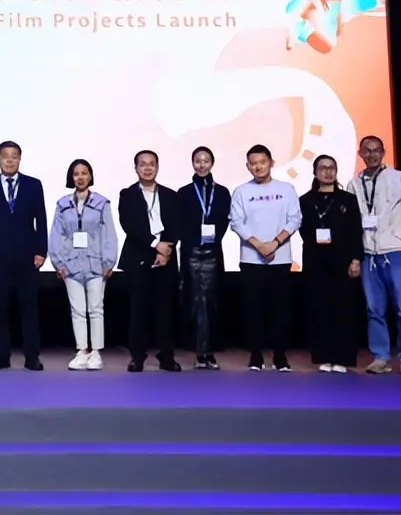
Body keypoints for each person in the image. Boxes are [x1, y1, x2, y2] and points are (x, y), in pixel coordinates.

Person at [346, 135, 401, 375]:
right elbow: (351, 224)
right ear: (360, 154)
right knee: (373, 308)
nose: (372, 154)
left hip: (397, 252)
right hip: (368, 254)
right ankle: (380, 357)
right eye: (367, 150)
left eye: (376, 150)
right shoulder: (354, 184)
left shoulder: (400, 179)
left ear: (383, 152)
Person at [229, 144, 302, 372]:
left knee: (280, 311)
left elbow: (295, 219)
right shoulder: (241, 191)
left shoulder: (287, 189)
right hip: (251, 259)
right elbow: (236, 222)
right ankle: (255, 356)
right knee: (253, 310)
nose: (258, 167)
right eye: (253, 163)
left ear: (271, 162)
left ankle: (280, 357)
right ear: (247, 166)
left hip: (280, 258)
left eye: (262, 162)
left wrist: (275, 243)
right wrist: (259, 245)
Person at [0, 141, 47, 371]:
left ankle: (32, 357)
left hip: (28, 257)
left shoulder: (33, 185)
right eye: (5, 156)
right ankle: (1, 356)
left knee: (30, 310)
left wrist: (41, 251)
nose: (9, 160)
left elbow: (41, 220)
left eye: (14, 156)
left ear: (20, 158)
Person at [49, 159, 118, 371]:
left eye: (84, 173)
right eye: (76, 174)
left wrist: (109, 261)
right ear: (71, 177)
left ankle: (96, 352)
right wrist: (58, 263)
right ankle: (82, 350)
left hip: (96, 264)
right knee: (77, 310)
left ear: (90, 176)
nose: (80, 177)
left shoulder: (101, 203)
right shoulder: (63, 205)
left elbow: (109, 233)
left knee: (96, 309)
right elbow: (57, 235)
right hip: (71, 265)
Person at [118, 150, 181, 372]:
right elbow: (129, 225)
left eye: (151, 164)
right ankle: (137, 356)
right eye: (143, 164)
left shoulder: (171, 195)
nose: (147, 168)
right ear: (136, 168)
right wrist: (155, 245)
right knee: (138, 312)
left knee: (166, 311)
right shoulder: (127, 195)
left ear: (157, 167)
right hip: (139, 258)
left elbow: (176, 224)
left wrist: (165, 249)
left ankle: (167, 357)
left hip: (166, 258)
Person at [299, 154, 363, 372]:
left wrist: (356, 259)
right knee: (319, 308)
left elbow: (356, 231)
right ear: (315, 172)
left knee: (344, 309)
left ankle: (343, 358)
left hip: (342, 261)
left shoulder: (347, 199)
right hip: (315, 262)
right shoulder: (305, 201)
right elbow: (303, 231)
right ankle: (323, 356)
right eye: (323, 168)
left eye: (331, 168)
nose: (327, 172)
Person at [176, 146, 231, 370]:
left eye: (206, 160)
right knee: (195, 301)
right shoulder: (184, 192)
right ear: (193, 164)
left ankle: (210, 351)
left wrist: (212, 240)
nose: (202, 165)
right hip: (191, 252)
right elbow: (180, 222)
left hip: (213, 252)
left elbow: (224, 221)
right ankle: (200, 351)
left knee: (212, 301)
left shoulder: (223, 192)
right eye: (198, 161)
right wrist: (193, 241)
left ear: (212, 163)